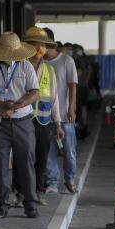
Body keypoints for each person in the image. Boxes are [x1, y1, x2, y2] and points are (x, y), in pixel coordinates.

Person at [0, 32, 40, 219]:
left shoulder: (26, 66)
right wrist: (2, 105)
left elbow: (34, 92)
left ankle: (30, 204)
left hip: (23, 121)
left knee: (26, 163)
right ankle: (1, 206)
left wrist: (17, 106)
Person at [10, 27, 65, 207]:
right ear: (26, 47)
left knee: (41, 157)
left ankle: (38, 192)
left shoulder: (50, 70)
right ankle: (19, 193)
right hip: (21, 119)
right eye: (34, 45)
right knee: (22, 157)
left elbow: (55, 98)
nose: (39, 49)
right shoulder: (18, 67)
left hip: (43, 121)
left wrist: (57, 123)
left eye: (42, 45)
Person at [43, 27, 79, 195]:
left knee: (69, 150)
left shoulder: (66, 61)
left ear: (49, 42)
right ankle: (52, 182)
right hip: (44, 116)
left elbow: (73, 85)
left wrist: (71, 108)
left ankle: (70, 179)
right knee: (48, 150)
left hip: (64, 115)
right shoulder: (39, 62)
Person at [73, 44, 91, 139]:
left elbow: (77, 74)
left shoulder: (76, 60)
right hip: (84, 87)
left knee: (78, 109)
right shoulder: (86, 61)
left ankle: (79, 129)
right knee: (83, 108)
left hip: (78, 88)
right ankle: (84, 126)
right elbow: (88, 74)